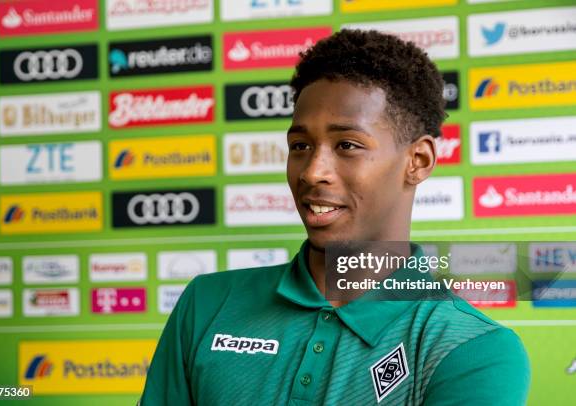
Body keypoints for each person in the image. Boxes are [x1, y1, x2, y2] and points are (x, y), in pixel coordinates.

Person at [139, 29, 530, 405]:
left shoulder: (474, 349)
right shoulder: (206, 304)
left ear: (418, 160)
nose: (312, 171)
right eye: (300, 145)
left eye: (347, 145)